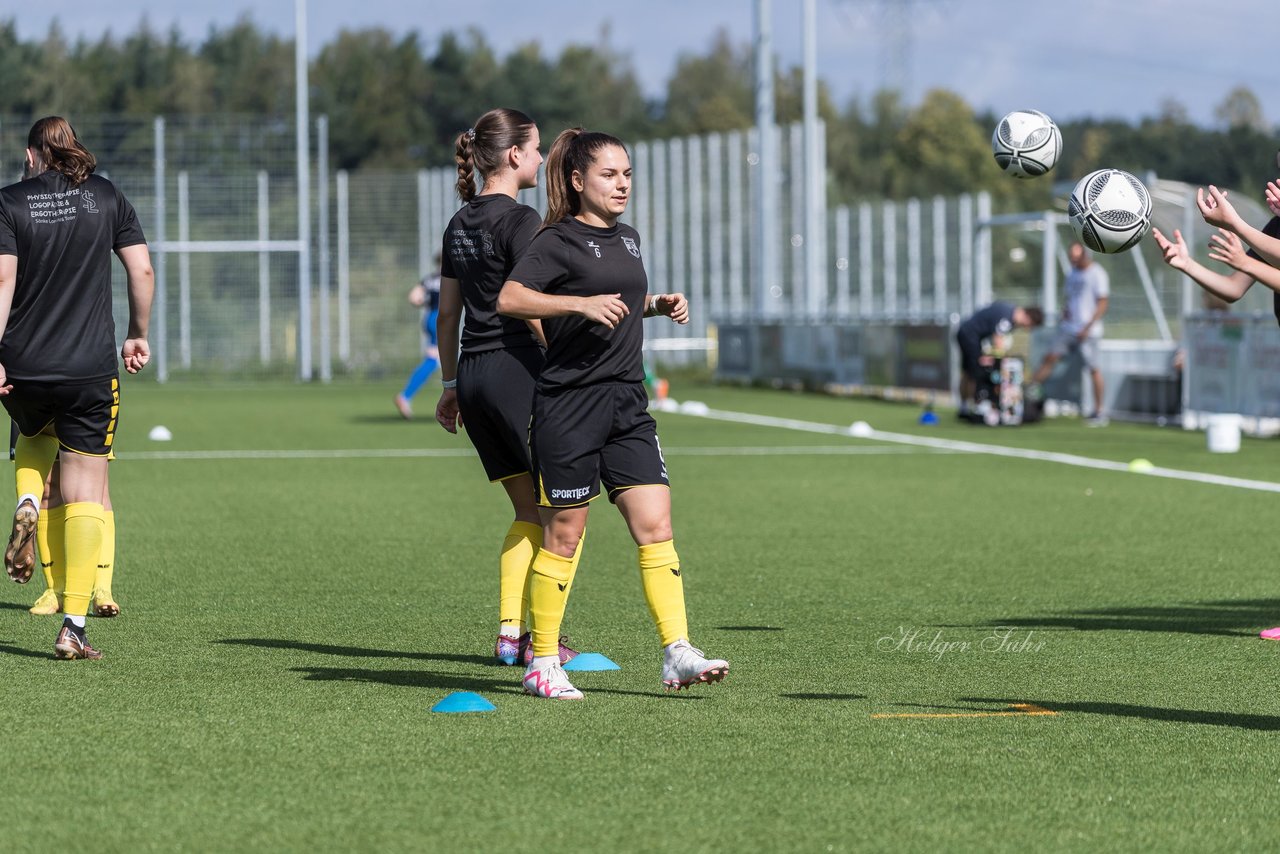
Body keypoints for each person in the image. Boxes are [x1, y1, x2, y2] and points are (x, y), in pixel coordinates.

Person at [497, 127, 728, 700]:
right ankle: (543, 664)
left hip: (627, 404)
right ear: (578, 181)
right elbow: (511, 298)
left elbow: (615, 303)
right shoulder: (555, 241)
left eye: (627, 174)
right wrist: (577, 301)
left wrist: (654, 305)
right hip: (568, 407)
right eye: (609, 174)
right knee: (565, 535)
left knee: (656, 525)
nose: (622, 184)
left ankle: (676, 651)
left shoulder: (629, 239)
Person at [0, 116, 153, 659]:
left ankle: (25, 498)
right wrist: (137, 334)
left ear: (32, 155)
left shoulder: (10, 201)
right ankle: (74, 625)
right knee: (87, 489)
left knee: (34, 438)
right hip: (90, 368)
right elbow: (142, 272)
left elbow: (2, 280)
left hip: (24, 367)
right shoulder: (108, 197)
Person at [431, 108, 578, 666]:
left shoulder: (458, 222)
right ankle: (540, 641)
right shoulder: (522, 220)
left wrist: (450, 384)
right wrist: (563, 359)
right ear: (514, 155)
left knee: (526, 512)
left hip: (473, 375)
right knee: (558, 511)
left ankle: (509, 634)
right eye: (537, 148)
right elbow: (529, 306)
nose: (542, 159)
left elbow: (449, 316)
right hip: (519, 372)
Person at [1152, 180, 1280, 642]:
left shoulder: (1259, 230)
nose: (1277, 182)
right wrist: (1185, 263)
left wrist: (1238, 230)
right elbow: (1233, 287)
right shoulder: (1274, 227)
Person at [1031, 242, 1110, 425]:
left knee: (1093, 368)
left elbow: (1102, 303)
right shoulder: (1072, 273)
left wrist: (1088, 327)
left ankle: (1099, 411)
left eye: (1076, 258)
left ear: (1085, 256)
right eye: (1071, 259)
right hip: (1069, 328)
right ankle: (1028, 394)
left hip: (1089, 331)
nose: (1073, 261)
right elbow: (1070, 299)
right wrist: (1065, 313)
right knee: (1050, 357)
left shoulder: (1098, 274)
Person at [954, 302, 1043, 417]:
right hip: (971, 336)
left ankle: (964, 406)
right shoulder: (1007, 317)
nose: (1027, 328)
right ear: (1028, 317)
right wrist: (1003, 360)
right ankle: (977, 407)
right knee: (977, 372)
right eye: (1030, 325)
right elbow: (998, 340)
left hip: (967, 333)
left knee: (968, 372)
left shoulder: (1007, 309)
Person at [393, 255, 442, 419]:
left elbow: (414, 298)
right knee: (433, 360)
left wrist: (423, 302)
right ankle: (405, 396)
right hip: (441, 320)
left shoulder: (430, 279)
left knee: (435, 360)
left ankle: (405, 396)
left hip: (430, 318)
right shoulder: (452, 277)